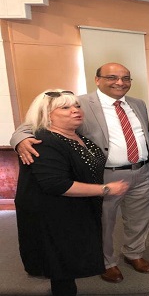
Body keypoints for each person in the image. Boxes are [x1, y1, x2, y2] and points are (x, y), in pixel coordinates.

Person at [11, 63, 149, 283]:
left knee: (139, 218)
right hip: (105, 174)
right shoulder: (78, 103)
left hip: (143, 170)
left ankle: (134, 253)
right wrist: (20, 139)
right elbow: (32, 123)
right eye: (112, 77)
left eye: (126, 78)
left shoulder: (138, 103)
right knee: (104, 222)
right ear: (97, 80)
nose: (120, 82)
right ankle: (106, 262)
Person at [15, 90, 129, 295]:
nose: (75, 111)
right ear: (47, 114)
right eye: (65, 107)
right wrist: (104, 189)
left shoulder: (76, 135)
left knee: (69, 257)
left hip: (77, 207)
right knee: (60, 261)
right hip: (53, 212)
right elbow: (56, 184)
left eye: (77, 106)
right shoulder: (44, 141)